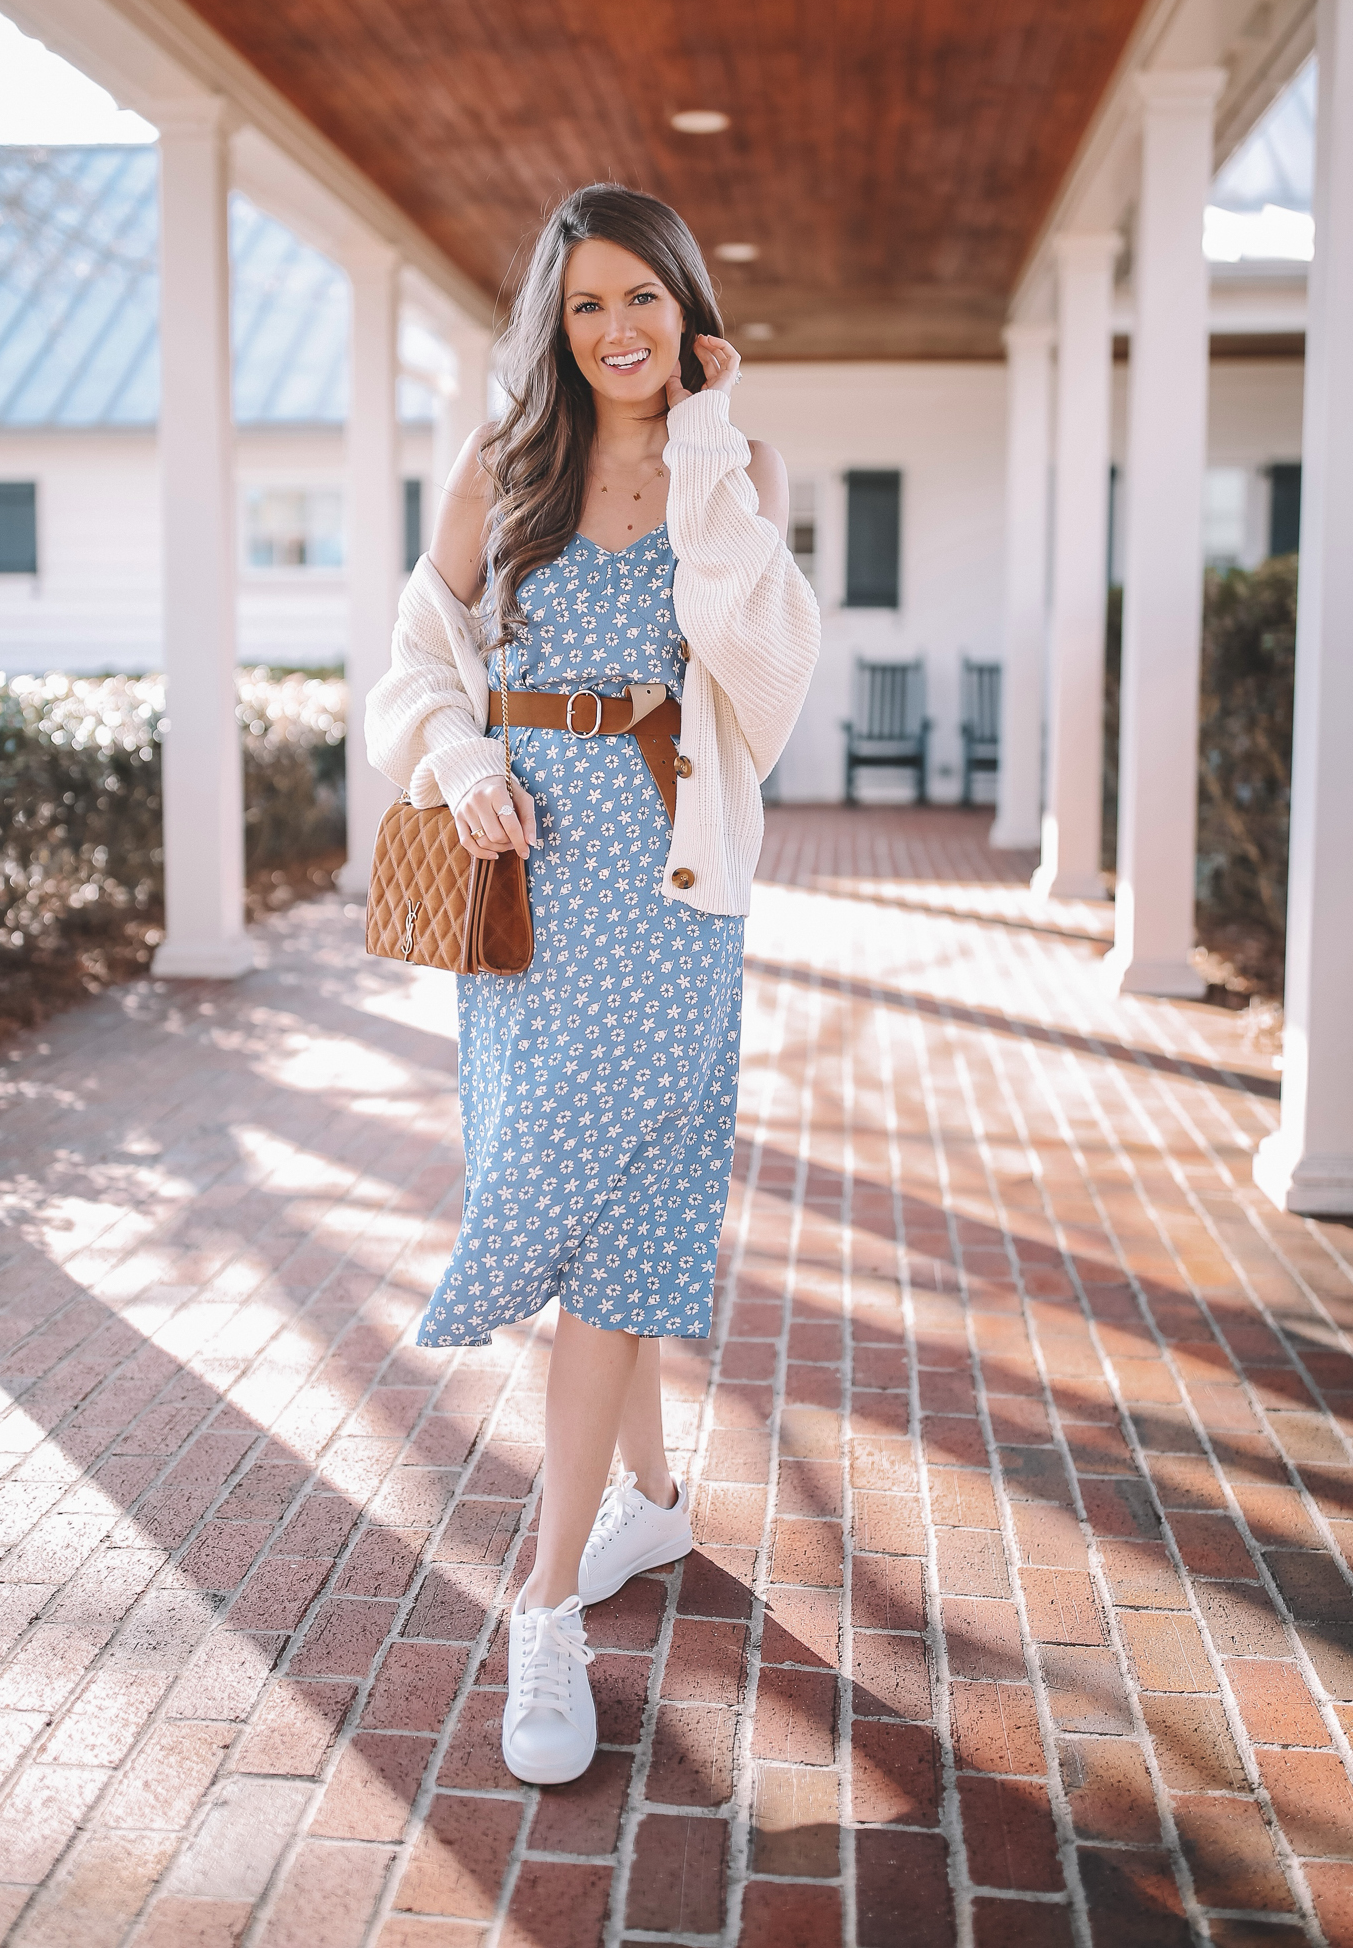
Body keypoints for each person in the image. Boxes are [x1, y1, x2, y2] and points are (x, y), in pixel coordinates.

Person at [364, 183, 819, 1785]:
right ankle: (646, 1508)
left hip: (673, 893)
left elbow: (763, 686)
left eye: (642, 298)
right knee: (576, 1201)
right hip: (531, 893)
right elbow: (417, 659)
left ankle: (543, 1606)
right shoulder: (506, 468)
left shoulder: (738, 470)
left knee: (622, 1211)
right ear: (554, 328)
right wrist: (458, 750)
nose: (615, 331)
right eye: (585, 307)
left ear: (686, 310)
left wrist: (702, 455)